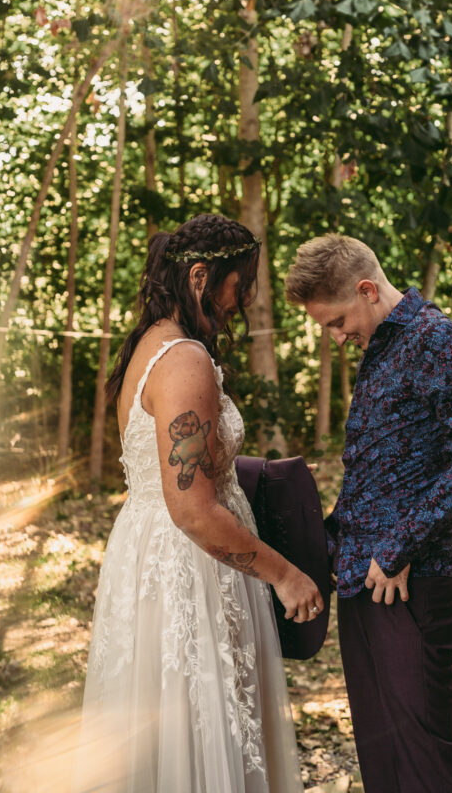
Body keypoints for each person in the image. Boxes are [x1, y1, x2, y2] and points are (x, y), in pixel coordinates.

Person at [75, 213, 322, 793]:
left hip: (151, 555)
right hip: (191, 565)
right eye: (241, 285)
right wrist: (284, 576)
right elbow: (190, 508)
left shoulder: (151, 343)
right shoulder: (184, 360)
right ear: (200, 276)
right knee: (198, 731)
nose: (246, 301)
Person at [285, 235, 452, 793]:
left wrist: (397, 547)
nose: (335, 337)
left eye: (336, 321)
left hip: (413, 584)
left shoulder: (434, 338)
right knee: (382, 756)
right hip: (364, 581)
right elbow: (383, 472)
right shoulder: (379, 348)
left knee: (425, 759)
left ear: (366, 289)